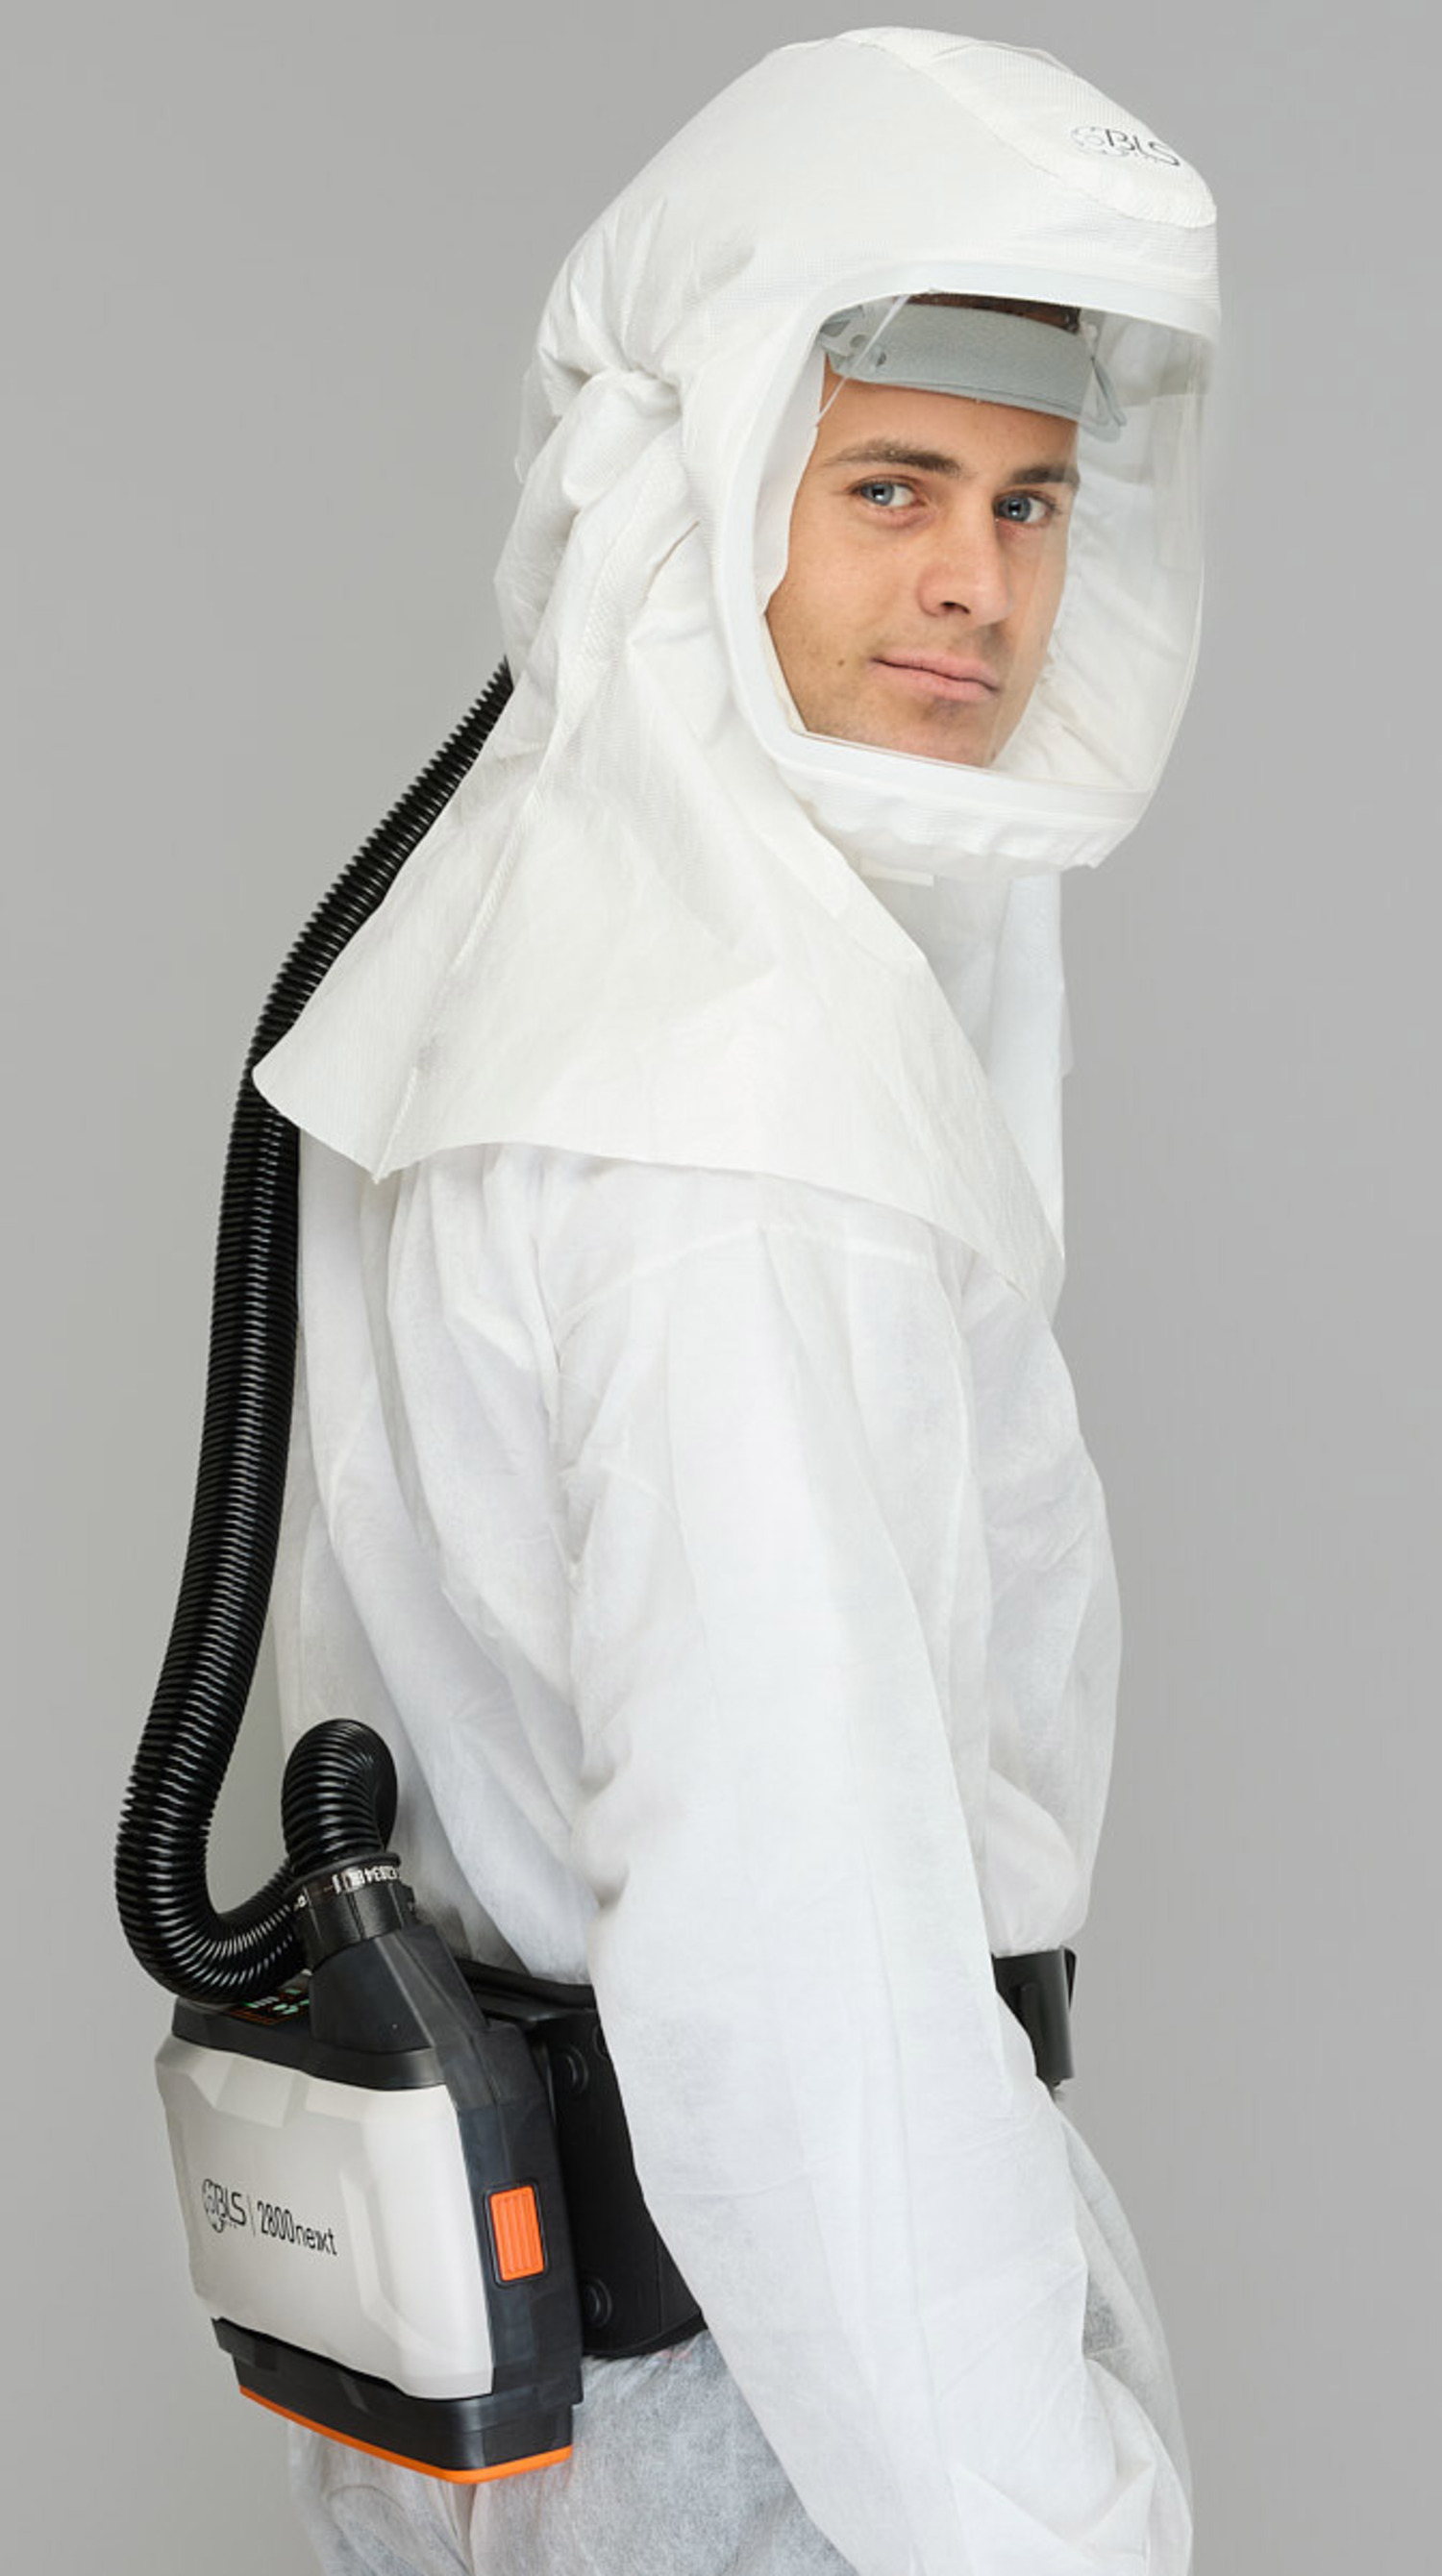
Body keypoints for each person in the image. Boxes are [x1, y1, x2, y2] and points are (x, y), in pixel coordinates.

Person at [253, 26, 1220, 2576]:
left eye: (1028, 501)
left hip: (537, 2407)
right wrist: (1038, 2532)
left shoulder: (544, 966)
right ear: (686, 489)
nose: (978, 585)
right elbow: (803, 1974)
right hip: (775, 2418)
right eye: (888, 486)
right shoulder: (741, 1127)